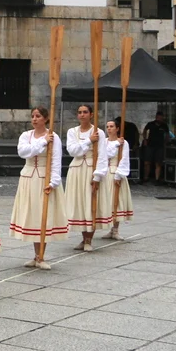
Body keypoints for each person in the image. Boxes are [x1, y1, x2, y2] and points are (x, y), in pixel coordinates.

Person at [10, 107, 67, 270]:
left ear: (46, 119)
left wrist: (54, 181)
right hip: (28, 177)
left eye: (38, 116)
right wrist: (42, 142)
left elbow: (56, 160)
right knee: (33, 215)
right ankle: (36, 255)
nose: (34, 119)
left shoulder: (53, 136)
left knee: (44, 215)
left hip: (44, 177)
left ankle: (41, 256)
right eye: (33, 116)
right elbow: (23, 152)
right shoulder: (26, 136)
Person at [65, 104, 108, 252]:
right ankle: (83, 238)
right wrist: (89, 140)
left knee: (90, 203)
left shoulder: (99, 132)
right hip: (77, 170)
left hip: (91, 168)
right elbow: (72, 151)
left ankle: (89, 239)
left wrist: (98, 176)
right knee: (80, 203)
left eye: (85, 112)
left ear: (91, 114)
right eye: (79, 112)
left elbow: (102, 155)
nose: (82, 115)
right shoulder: (72, 131)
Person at [100, 118, 133, 240]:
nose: (109, 129)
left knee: (116, 200)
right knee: (105, 201)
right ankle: (108, 227)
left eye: (112, 126)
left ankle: (115, 230)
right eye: (107, 127)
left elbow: (124, 159)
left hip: (115, 171)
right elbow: (103, 155)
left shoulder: (124, 143)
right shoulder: (104, 142)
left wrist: (119, 175)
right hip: (104, 171)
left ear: (117, 128)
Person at [142, 110, 169, 183]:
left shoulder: (164, 125)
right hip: (150, 145)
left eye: (161, 118)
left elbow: (167, 135)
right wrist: (145, 139)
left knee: (158, 163)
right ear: (156, 117)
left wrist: (165, 142)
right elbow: (145, 130)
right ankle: (145, 177)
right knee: (147, 162)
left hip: (160, 146)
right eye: (158, 117)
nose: (159, 119)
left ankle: (157, 179)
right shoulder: (150, 124)